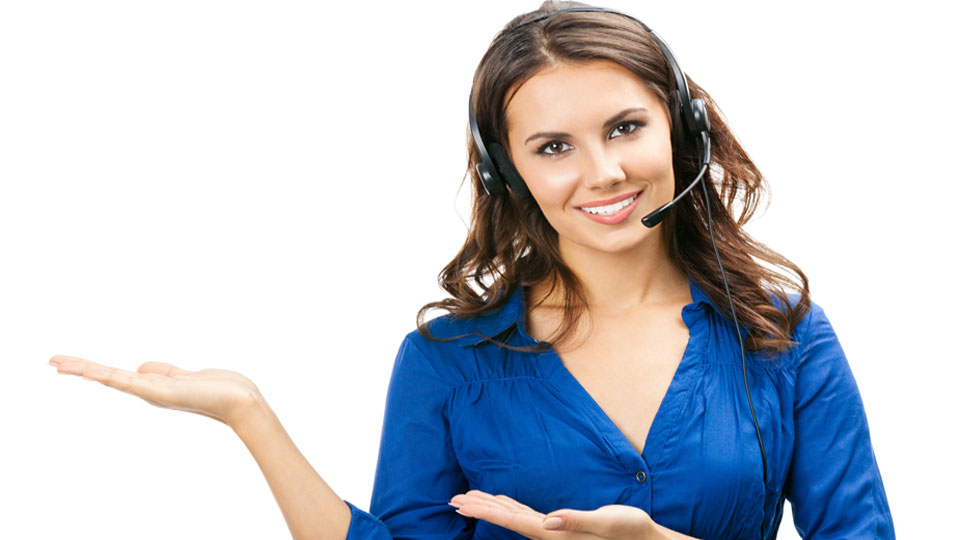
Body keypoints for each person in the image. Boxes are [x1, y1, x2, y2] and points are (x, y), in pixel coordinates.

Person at [47, 1, 895, 539]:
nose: (601, 171)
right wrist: (250, 416)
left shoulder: (784, 336)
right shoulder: (446, 361)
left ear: (683, 131)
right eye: (553, 146)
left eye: (626, 127)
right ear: (508, 172)